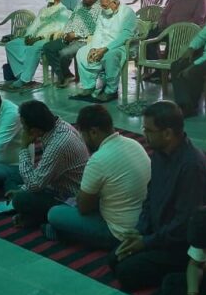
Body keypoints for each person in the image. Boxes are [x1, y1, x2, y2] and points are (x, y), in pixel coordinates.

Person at [112, 101, 206, 291]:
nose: (144, 134)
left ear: (167, 133)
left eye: (148, 130)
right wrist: (140, 231)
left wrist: (146, 243)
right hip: (158, 234)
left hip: (179, 245)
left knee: (125, 272)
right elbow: (150, 197)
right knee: (115, 259)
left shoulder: (191, 166)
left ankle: (187, 271)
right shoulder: (160, 154)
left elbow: (183, 223)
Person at [46, 104, 151, 250]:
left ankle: (64, 234)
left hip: (118, 233)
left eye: (83, 135)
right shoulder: (134, 144)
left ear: (93, 132)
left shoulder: (98, 160)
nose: (83, 140)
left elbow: (84, 208)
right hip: (144, 224)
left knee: (55, 214)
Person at [4, 100, 90, 228]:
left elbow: (35, 185)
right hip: (56, 183)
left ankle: (39, 219)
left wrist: (23, 147)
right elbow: (45, 173)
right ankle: (32, 215)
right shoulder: (59, 127)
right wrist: (22, 189)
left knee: (20, 199)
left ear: (35, 131)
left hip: (69, 197)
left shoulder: (58, 144)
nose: (23, 131)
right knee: (12, 181)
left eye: (24, 127)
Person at [72, 0, 137, 103]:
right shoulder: (103, 12)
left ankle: (111, 90)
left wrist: (106, 49)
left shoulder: (128, 13)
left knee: (110, 56)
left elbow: (125, 35)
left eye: (105, 6)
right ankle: (89, 86)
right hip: (101, 45)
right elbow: (98, 32)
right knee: (81, 53)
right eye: (101, 5)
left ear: (115, 3)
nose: (102, 8)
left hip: (121, 46)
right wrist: (94, 48)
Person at [4, 0, 72, 89]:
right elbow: (34, 25)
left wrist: (38, 38)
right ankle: (21, 74)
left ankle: (24, 79)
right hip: (34, 37)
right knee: (11, 45)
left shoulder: (63, 11)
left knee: (34, 48)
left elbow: (58, 29)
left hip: (47, 39)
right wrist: (28, 36)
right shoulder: (43, 10)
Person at [42, 0, 102, 86]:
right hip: (69, 37)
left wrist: (75, 35)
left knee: (64, 54)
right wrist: (66, 33)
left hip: (84, 40)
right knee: (48, 47)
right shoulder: (80, 5)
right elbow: (70, 21)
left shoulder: (100, 8)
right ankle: (64, 75)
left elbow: (94, 28)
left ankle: (64, 76)